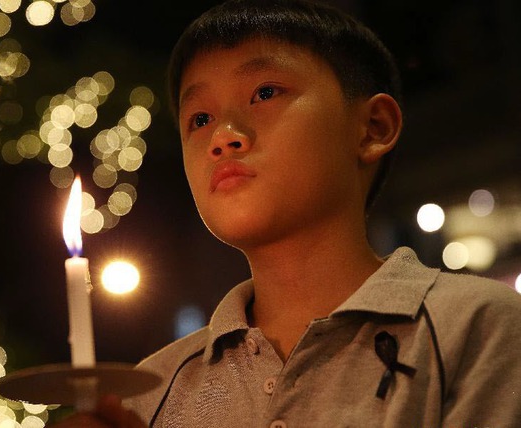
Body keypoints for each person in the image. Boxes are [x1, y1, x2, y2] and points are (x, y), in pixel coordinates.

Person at [53, 0, 521, 426]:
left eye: (265, 92)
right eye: (200, 119)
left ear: (373, 127)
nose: (224, 136)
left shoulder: (477, 328)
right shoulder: (151, 390)